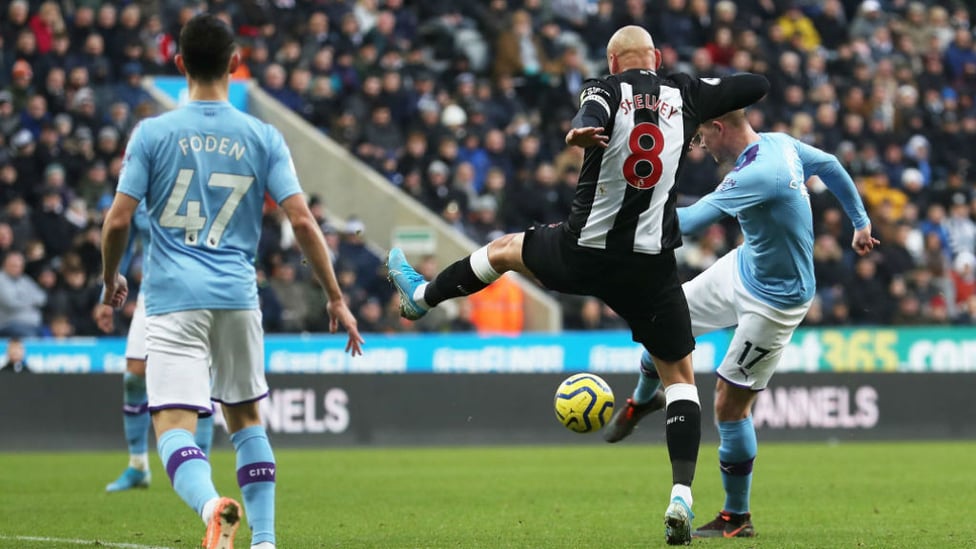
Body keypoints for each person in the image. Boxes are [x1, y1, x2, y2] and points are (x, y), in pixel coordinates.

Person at [387, 25, 769, 545]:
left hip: (582, 252)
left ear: (613, 63)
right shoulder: (687, 92)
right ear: (655, 58)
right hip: (649, 267)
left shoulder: (605, 89)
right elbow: (756, 84)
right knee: (680, 379)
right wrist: (707, 93)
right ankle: (681, 494)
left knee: (502, 252)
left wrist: (578, 133)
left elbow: (588, 116)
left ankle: (423, 297)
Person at [100, 14, 363, 549]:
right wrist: (335, 297)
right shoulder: (263, 136)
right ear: (236, 65)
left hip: (172, 300)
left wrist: (110, 281)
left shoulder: (151, 133)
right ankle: (264, 541)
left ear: (178, 65)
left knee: (173, 425)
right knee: (247, 421)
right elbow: (303, 220)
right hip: (239, 297)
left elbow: (119, 220)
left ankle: (210, 506)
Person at [602, 108, 878, 539]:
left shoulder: (758, 173)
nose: (700, 147)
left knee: (729, 406)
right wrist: (860, 223)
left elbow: (691, 222)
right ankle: (643, 400)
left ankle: (736, 517)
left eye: (700, 138)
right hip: (744, 266)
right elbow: (831, 164)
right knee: (663, 321)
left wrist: (626, 216)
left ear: (719, 127)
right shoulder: (780, 144)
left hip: (775, 302)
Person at [95, 202, 215, 493]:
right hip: (153, 293)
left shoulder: (198, 172)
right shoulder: (139, 192)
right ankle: (138, 465)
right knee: (135, 375)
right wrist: (107, 289)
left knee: (200, 379)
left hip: (200, 291)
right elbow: (121, 243)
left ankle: (200, 469)